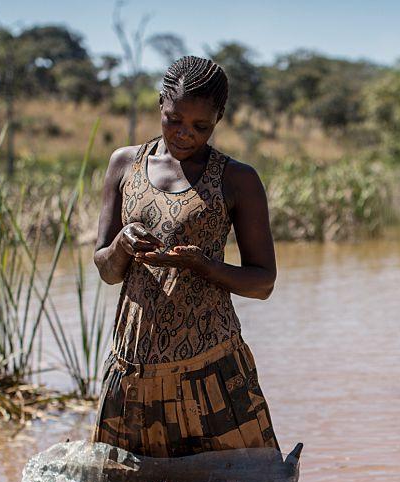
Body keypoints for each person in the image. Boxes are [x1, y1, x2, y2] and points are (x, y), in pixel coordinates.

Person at [92, 56, 279, 458]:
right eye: (174, 119)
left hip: (212, 372)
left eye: (201, 126)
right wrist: (123, 243)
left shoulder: (237, 179)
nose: (184, 133)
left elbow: (263, 283)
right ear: (160, 104)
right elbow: (106, 270)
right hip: (135, 367)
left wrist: (204, 266)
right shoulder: (124, 164)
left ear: (219, 119)